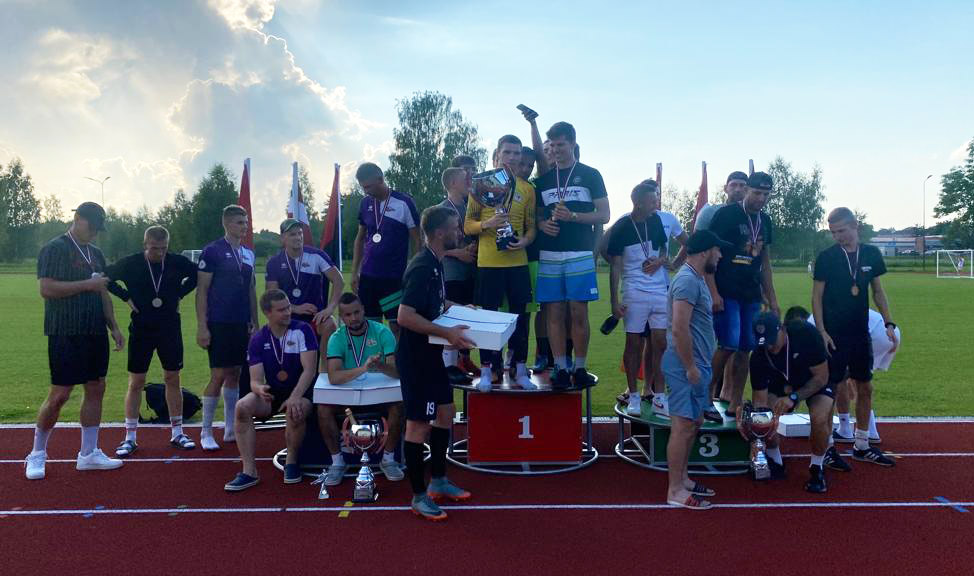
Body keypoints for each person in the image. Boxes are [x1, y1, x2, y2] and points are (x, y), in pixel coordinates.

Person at [25, 202, 126, 480]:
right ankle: (37, 453)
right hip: (65, 330)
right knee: (60, 394)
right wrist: (86, 285)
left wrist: (114, 326)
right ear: (78, 218)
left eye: (98, 229)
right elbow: (46, 288)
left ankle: (89, 453)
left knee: (96, 387)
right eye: (91, 226)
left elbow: (103, 292)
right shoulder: (55, 248)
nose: (94, 233)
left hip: (95, 331)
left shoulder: (96, 253)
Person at [397, 205, 477, 521]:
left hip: (431, 356)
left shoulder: (436, 261)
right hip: (416, 359)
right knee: (418, 425)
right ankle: (419, 496)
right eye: (455, 227)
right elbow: (405, 316)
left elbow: (434, 301)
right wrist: (447, 333)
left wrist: (461, 308)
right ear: (440, 232)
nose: (460, 232)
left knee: (445, 412)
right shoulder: (421, 266)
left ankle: (439, 480)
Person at [813, 207, 898, 469]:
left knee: (866, 387)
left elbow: (878, 292)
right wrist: (822, 331)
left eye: (841, 230)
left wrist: (888, 322)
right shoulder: (827, 257)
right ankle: (828, 447)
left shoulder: (871, 254)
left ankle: (862, 444)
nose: (837, 236)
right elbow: (816, 296)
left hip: (860, 332)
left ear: (855, 226)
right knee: (830, 390)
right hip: (834, 335)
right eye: (833, 232)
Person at [106, 225, 198, 456]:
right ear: (145, 245)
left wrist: (179, 293)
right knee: (136, 381)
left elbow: (198, 275)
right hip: (141, 328)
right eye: (155, 248)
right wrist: (126, 297)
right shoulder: (131, 263)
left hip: (169, 327)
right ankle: (130, 437)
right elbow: (106, 278)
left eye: (163, 248)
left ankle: (177, 432)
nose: (159, 253)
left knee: (172, 377)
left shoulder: (176, 262)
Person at [533, 121, 610, 389]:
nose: (556, 150)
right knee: (554, 312)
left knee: (578, 312)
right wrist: (542, 225)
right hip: (550, 254)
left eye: (561, 144)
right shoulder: (543, 180)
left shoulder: (590, 174)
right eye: (552, 145)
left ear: (573, 144)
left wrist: (574, 216)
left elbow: (604, 215)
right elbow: (536, 218)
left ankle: (580, 367)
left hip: (579, 252)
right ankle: (561, 368)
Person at [607, 180, 687, 416]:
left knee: (661, 343)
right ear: (639, 203)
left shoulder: (656, 221)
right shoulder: (622, 226)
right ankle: (633, 395)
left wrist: (661, 260)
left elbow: (663, 248)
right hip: (634, 291)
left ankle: (659, 396)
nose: (656, 204)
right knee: (633, 343)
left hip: (660, 290)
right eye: (652, 201)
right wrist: (614, 301)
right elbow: (614, 266)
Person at [224, 289, 318, 490]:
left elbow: (310, 370)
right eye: (281, 310)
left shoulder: (303, 330)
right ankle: (249, 471)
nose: (288, 312)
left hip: (303, 390)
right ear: (268, 313)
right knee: (242, 407)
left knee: (295, 409)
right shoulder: (258, 339)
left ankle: (291, 461)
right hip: (274, 392)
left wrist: (294, 396)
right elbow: (255, 380)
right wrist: (259, 388)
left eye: (288, 307)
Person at [662, 230, 728, 509]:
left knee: (694, 423)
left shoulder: (696, 278)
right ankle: (674, 490)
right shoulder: (687, 281)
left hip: (697, 364)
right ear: (704, 252)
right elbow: (679, 328)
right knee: (683, 426)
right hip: (684, 365)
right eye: (717, 250)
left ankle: (683, 478)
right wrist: (690, 367)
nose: (720, 255)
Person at [465, 134, 536, 390]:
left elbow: (531, 227)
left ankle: (520, 369)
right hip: (489, 264)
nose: (512, 157)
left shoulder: (527, 189)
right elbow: (467, 225)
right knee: (488, 319)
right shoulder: (481, 185)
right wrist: (487, 223)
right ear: (497, 155)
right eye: (507, 152)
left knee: (520, 319)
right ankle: (487, 370)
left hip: (517, 263)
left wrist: (525, 241)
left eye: (517, 153)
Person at [707, 172, 779, 416]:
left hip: (751, 293)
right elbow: (710, 252)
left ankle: (735, 402)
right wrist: (713, 292)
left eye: (766, 195)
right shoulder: (726, 215)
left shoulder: (765, 220)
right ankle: (706, 396)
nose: (761, 199)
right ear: (747, 190)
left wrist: (772, 298)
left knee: (746, 346)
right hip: (727, 289)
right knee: (728, 343)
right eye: (757, 193)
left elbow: (765, 262)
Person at [318, 292, 404, 485]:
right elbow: (333, 377)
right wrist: (363, 368)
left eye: (357, 312)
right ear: (342, 317)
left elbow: (397, 372)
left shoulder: (382, 332)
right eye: (348, 315)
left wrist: (380, 366)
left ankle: (388, 459)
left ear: (364, 310)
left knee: (399, 405)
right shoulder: (337, 338)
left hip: (378, 396)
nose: (354, 318)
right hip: (348, 399)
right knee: (323, 409)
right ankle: (337, 462)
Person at [745, 312, 833, 493]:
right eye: (765, 343)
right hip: (780, 385)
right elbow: (759, 401)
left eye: (772, 340)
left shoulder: (807, 335)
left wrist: (794, 398)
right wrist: (757, 437)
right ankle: (774, 460)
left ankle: (817, 467)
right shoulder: (758, 356)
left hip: (814, 381)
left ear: (783, 329)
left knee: (819, 418)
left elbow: (821, 378)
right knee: (765, 416)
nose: (770, 347)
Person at [196, 205, 258, 451]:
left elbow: (251, 289)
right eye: (240, 222)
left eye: (246, 222)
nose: (245, 227)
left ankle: (231, 427)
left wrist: (254, 321)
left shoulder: (249, 253)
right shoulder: (212, 251)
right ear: (227, 224)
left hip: (241, 322)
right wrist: (202, 326)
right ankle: (206, 431)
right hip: (219, 321)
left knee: (236, 373)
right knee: (219, 374)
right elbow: (202, 290)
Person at [696, 171, 748, 416]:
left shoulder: (754, 217)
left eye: (742, 185)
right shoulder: (711, 213)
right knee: (720, 343)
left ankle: (730, 394)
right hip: (718, 286)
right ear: (725, 188)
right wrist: (710, 289)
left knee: (740, 345)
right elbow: (699, 246)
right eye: (733, 185)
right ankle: (705, 393)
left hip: (746, 288)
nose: (738, 189)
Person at [350, 162, 421, 340]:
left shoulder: (404, 202)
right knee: (370, 326)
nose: (365, 191)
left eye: (368, 186)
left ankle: (398, 358)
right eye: (363, 187)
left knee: (397, 325)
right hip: (368, 278)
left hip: (393, 278)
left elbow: (417, 239)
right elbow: (360, 238)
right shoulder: (365, 203)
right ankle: (375, 358)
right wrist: (355, 272)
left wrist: (414, 269)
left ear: (380, 179)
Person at [265, 217, 344, 367]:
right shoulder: (274, 263)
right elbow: (272, 296)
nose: (298, 237)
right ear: (283, 238)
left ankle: (325, 372)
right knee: (290, 366)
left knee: (330, 324)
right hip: (287, 317)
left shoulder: (316, 255)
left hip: (315, 317)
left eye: (299, 233)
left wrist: (330, 308)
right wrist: (295, 308)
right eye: (292, 234)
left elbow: (338, 280)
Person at [438, 167, 479, 380]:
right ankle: (449, 366)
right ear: (453, 183)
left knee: (468, 317)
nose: (469, 182)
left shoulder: (471, 206)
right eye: (465, 179)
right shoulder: (441, 210)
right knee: (453, 318)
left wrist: (472, 247)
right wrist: (459, 254)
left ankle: (463, 360)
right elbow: (431, 245)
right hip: (451, 273)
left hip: (471, 273)